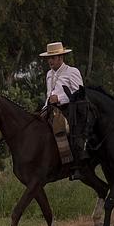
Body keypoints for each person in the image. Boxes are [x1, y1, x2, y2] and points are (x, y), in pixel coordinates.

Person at [39, 41, 85, 180]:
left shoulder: (72, 72)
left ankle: (71, 163)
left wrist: (59, 98)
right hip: (51, 108)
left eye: (52, 58)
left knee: (61, 127)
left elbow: (80, 92)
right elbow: (49, 94)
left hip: (68, 108)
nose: (50, 61)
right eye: (49, 58)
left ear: (61, 58)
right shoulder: (49, 74)